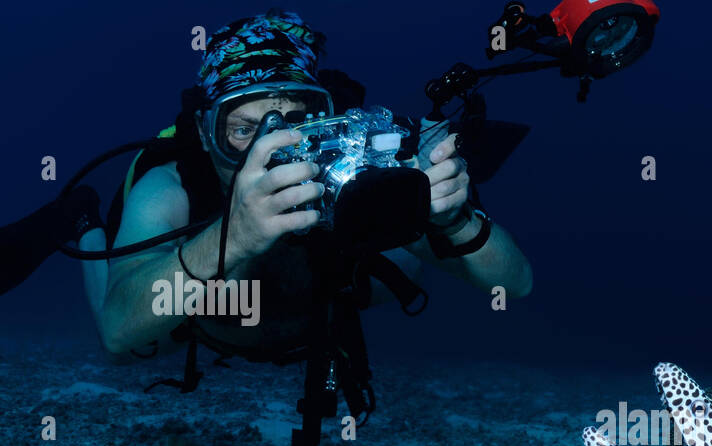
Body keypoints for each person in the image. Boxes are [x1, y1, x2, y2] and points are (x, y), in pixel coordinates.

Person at [79, 10, 531, 361]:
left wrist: (454, 222)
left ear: (327, 117)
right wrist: (232, 238)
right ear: (203, 133)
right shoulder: (173, 186)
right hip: (207, 324)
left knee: (408, 263)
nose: (271, 150)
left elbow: (515, 284)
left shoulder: (358, 163)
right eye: (242, 130)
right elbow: (118, 331)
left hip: (319, 311)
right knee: (141, 347)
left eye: (297, 123)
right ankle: (82, 219)